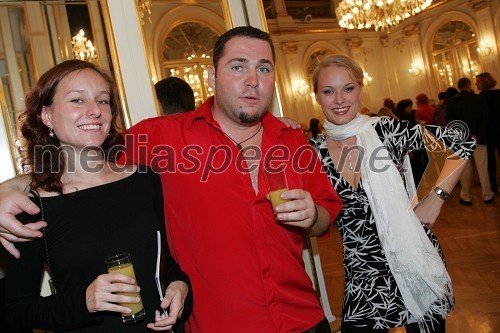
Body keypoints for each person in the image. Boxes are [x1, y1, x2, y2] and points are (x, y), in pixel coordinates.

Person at [0, 27, 343, 333]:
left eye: (263, 68)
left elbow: (327, 212)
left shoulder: (293, 140)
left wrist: (314, 215)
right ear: (212, 76)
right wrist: (11, 187)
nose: (252, 80)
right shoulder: (162, 138)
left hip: (303, 320)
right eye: (238, 66)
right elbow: (85, 157)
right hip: (220, 325)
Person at [3, 60, 191, 332]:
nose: (94, 111)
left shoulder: (144, 180)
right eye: (77, 100)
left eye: (103, 101)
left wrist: (180, 285)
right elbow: (17, 311)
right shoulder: (32, 208)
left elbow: (164, 263)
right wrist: (84, 302)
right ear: (46, 116)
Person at [309, 54, 475, 333]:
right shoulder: (313, 151)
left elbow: (463, 140)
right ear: (316, 96)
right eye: (328, 91)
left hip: (414, 262)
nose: (339, 99)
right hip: (364, 274)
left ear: (360, 89)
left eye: (348, 88)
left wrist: (435, 199)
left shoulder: (387, 131)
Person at [447, 77, 494, 205]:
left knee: (465, 170)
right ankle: (487, 195)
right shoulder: (479, 99)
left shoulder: (452, 102)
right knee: (482, 167)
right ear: (469, 86)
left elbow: (452, 123)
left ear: (459, 87)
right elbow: (485, 119)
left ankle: (466, 196)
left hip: (462, 139)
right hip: (479, 138)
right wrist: (476, 133)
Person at [475, 72, 500, 193]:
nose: (476, 84)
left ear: (484, 82)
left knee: (490, 161)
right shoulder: (499, 93)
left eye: (478, 81)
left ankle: (493, 187)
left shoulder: (482, 96)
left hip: (489, 131)